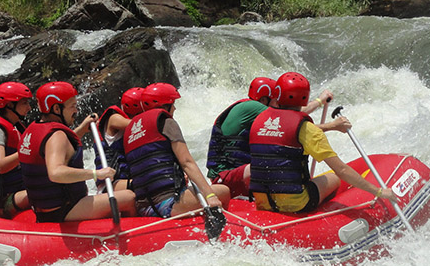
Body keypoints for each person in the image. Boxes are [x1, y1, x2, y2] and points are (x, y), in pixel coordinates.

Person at [249, 72, 398, 213]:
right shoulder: (308, 129)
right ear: (304, 98)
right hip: (296, 203)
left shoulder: (259, 121)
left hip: (262, 202)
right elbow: (342, 170)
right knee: (334, 178)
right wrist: (379, 192)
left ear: (277, 95)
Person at [19, 81, 137, 222]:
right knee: (129, 197)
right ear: (56, 108)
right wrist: (96, 173)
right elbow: (56, 173)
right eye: (72, 106)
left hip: (45, 208)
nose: (76, 111)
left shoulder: (32, 130)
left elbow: (56, 148)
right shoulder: (57, 136)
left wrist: (81, 129)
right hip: (64, 210)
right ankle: (131, 231)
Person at [206, 76, 334, 199]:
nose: (279, 104)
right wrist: (331, 123)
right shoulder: (252, 107)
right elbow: (294, 121)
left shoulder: (249, 110)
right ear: (264, 100)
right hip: (225, 177)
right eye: (276, 100)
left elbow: (293, 118)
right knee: (270, 164)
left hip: (232, 175)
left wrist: (320, 102)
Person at [124, 82, 230, 218]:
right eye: (172, 104)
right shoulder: (166, 122)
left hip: (143, 208)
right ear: (164, 105)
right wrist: (210, 196)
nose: (174, 108)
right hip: (167, 205)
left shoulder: (130, 131)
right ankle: (219, 227)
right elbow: (186, 162)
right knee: (223, 191)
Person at [0, 82, 33, 219]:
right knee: (46, 193)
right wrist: (27, 151)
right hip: (5, 200)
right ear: (9, 105)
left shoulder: (17, 126)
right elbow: (0, 165)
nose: (29, 107)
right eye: (24, 103)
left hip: (20, 191)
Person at [93, 87, 143, 192]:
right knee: (150, 183)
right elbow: (140, 123)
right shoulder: (114, 118)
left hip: (125, 180)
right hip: (110, 185)